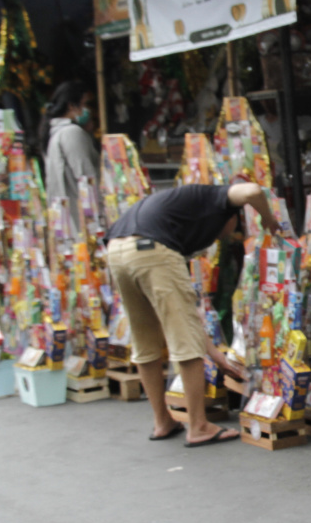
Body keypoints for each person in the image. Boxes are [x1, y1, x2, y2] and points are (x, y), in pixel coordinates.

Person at [106, 182, 282, 447]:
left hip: (117, 250)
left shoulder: (181, 212)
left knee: (145, 340)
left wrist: (217, 357)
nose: (227, 237)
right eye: (233, 230)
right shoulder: (218, 197)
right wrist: (270, 221)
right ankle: (199, 426)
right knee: (184, 343)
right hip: (151, 248)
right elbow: (254, 191)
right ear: (232, 217)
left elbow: (183, 317)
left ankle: (162, 421)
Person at [42, 81, 99, 228]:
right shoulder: (71, 133)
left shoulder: (55, 133)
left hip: (65, 218)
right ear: (71, 106)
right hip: (80, 219)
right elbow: (86, 178)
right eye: (85, 104)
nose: (88, 110)